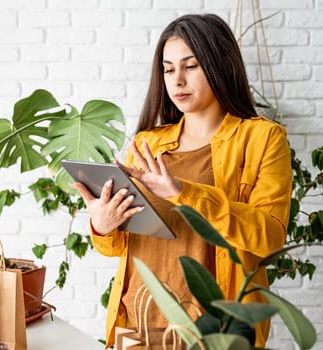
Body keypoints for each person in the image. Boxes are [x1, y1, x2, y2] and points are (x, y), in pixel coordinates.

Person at [72, 13, 292, 348]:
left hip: (215, 332)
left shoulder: (262, 138)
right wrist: (104, 225)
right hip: (136, 325)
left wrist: (184, 193)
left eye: (190, 66)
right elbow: (123, 247)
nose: (177, 80)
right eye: (168, 68)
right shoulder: (148, 143)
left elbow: (270, 236)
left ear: (222, 65)